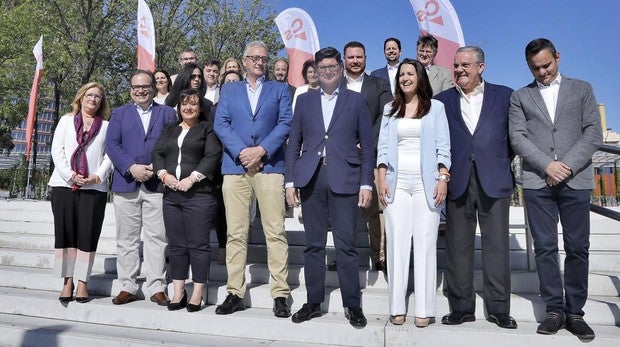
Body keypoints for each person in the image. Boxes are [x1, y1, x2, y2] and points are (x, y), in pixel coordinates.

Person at [509, 38, 602, 339]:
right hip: (539, 181)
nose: (542, 72)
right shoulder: (520, 96)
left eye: (546, 65)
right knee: (545, 248)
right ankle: (554, 309)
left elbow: (593, 132)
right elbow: (518, 137)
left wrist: (566, 166)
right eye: (535, 68)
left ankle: (575, 312)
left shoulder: (582, 89)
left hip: (576, 180)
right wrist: (548, 166)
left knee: (578, 247)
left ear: (558, 58)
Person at [285, 46, 374, 328]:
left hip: (345, 178)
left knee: (346, 245)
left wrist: (366, 183)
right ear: (317, 70)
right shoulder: (305, 101)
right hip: (311, 178)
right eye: (323, 67)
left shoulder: (356, 100)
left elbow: (368, 145)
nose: (328, 71)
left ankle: (352, 304)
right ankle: (313, 302)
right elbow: (294, 143)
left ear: (341, 68)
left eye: (333, 66)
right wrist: (290, 181)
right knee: (313, 245)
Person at [434, 46, 517, 329]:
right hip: (456, 181)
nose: (459, 70)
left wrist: (497, 161)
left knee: (497, 247)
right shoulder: (441, 101)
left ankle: (499, 309)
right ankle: (461, 307)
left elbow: (513, 138)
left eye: (465, 65)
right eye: (456, 65)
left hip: (494, 179)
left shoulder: (505, 96)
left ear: (481, 67)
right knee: (458, 246)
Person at [213, 40, 292, 318]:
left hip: (270, 166)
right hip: (235, 168)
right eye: (254, 57)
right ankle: (235, 292)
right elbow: (220, 123)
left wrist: (261, 150)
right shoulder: (230, 89)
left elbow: (285, 123)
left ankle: (280, 293)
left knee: (275, 231)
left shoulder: (280, 89)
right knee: (235, 232)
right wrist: (243, 152)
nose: (259, 61)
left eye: (264, 58)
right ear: (244, 61)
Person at [377, 58, 451, 327]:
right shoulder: (390, 109)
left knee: (425, 243)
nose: (405, 78)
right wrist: (382, 178)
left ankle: (424, 308)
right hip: (396, 184)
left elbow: (444, 146)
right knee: (396, 244)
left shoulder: (436, 108)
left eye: (410, 73)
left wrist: (443, 178)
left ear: (420, 77)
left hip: (426, 184)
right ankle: (396, 306)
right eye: (401, 75)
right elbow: (383, 147)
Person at [105, 70, 177, 306]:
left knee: (157, 237)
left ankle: (157, 287)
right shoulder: (119, 114)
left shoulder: (167, 113)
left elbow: (172, 145)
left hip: (156, 184)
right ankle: (127, 285)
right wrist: (131, 167)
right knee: (127, 238)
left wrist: (156, 168)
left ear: (153, 88)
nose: (140, 90)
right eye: (136, 87)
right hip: (126, 184)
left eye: (145, 86)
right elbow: (112, 145)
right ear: (131, 90)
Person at [152, 88, 221, 312]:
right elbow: (158, 154)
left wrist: (191, 179)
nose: (188, 108)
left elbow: (212, 156)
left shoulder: (207, 128)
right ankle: (179, 291)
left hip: (199, 195)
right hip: (172, 196)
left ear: (200, 108)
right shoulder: (169, 129)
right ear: (179, 108)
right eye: (184, 104)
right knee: (177, 245)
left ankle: (198, 292)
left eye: (193, 104)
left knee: (198, 245)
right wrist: (164, 175)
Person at [49, 82, 113, 304]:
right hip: (64, 185)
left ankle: (83, 281)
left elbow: (110, 155)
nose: (93, 99)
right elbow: (57, 150)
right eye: (89, 95)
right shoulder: (66, 120)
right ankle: (68, 281)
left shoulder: (106, 126)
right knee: (66, 233)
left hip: (93, 187)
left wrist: (97, 176)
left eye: (98, 96)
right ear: (81, 98)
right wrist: (70, 175)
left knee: (87, 234)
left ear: (101, 101)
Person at [337, 41, 392, 274]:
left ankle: (380, 256)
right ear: (344, 59)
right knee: (342, 209)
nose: (355, 61)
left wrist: (368, 139)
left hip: (371, 154)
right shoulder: (333, 86)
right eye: (351, 57)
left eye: (359, 57)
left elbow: (387, 114)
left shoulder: (379, 84)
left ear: (366, 58)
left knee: (375, 210)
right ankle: (342, 256)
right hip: (341, 157)